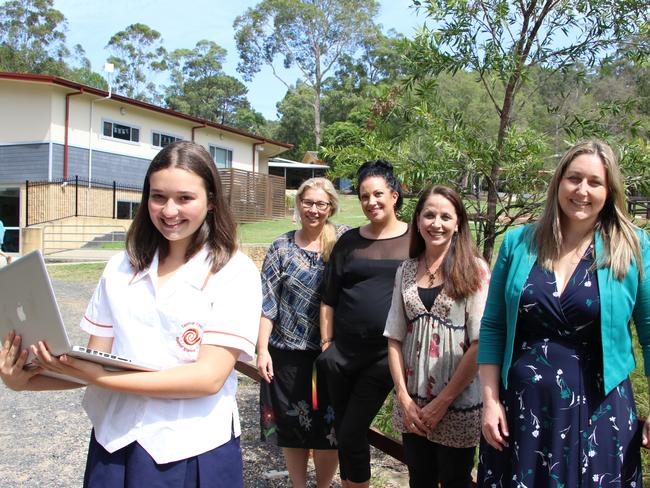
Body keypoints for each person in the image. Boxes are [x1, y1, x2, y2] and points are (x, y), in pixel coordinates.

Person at [0, 141, 261, 487]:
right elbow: (94, 362)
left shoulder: (233, 271)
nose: (169, 211)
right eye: (158, 197)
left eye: (185, 198)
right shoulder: (121, 266)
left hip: (189, 449)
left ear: (211, 201)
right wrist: (25, 380)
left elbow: (207, 379)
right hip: (115, 445)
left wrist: (99, 377)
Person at [477, 139, 650, 486]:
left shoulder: (633, 246)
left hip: (601, 412)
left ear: (609, 190)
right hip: (521, 411)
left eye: (594, 182)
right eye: (574, 178)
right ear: (558, 182)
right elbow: (494, 326)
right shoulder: (518, 243)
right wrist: (490, 400)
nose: (582, 190)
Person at [384, 185, 489, 488]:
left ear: (458, 224)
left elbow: (480, 343)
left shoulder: (474, 270)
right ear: (417, 220)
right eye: (429, 215)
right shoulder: (405, 270)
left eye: (446, 216)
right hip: (412, 405)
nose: (437, 224)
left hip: (457, 403)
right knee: (419, 479)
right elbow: (394, 336)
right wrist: (402, 397)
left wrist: (443, 402)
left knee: (456, 480)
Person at [316, 159, 411, 488]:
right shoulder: (349, 242)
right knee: (345, 432)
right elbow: (329, 298)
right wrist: (327, 346)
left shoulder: (416, 239)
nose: (372, 202)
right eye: (364, 196)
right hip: (341, 355)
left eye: (378, 194)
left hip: (386, 356)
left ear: (394, 195)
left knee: (352, 430)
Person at [257, 177, 349, 488]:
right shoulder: (281, 247)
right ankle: (298, 485)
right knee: (292, 427)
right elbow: (267, 304)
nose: (313, 209)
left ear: (331, 207)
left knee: (329, 428)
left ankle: (322, 486)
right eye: (307, 202)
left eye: (320, 204)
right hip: (287, 355)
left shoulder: (343, 242)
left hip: (331, 354)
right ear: (298, 204)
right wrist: (261, 349)